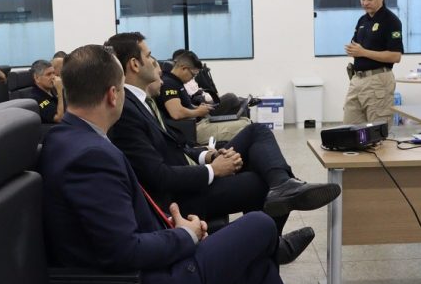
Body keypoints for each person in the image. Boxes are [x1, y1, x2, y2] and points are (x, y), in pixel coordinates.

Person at [38, 44, 319, 284]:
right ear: (113, 95)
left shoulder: (68, 138)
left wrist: (176, 228)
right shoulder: (89, 155)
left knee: (256, 272)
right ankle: (276, 246)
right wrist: (185, 236)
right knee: (259, 224)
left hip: (154, 263)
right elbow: (123, 250)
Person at [106, 32, 341, 266]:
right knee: (260, 183)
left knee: (256, 132)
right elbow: (159, 176)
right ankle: (270, 247)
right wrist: (213, 170)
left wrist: (209, 155)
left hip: (190, 169)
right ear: (134, 64)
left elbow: (177, 145)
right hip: (181, 195)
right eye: (149, 56)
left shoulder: (142, 103)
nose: (154, 61)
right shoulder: (127, 110)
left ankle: (282, 185)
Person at [343, 0, 403, 128]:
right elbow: (356, 47)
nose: (365, 3)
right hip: (357, 80)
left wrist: (363, 52)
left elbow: (395, 56)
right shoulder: (362, 20)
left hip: (378, 81)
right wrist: (354, 51)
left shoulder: (391, 21)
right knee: (350, 129)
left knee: (377, 131)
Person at [158, 50, 251, 144]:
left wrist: (198, 108)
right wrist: (198, 112)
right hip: (193, 130)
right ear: (184, 68)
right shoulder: (169, 84)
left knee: (244, 120)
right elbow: (176, 113)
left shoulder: (176, 82)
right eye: (192, 75)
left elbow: (184, 106)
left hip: (196, 124)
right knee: (245, 125)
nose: (192, 78)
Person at [27, 59, 65, 124]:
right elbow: (60, 119)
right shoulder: (36, 98)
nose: (53, 77)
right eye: (48, 74)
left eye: (53, 73)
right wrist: (60, 92)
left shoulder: (52, 90)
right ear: (37, 78)